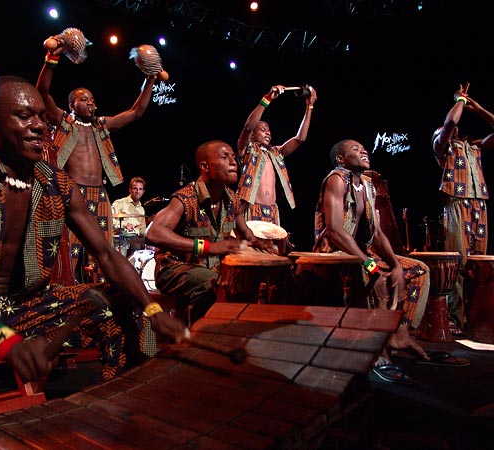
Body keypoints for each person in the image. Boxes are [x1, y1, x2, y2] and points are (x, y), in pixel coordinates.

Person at [0, 76, 184, 448]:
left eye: (41, 119)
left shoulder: (58, 185)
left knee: (124, 303)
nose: (38, 126)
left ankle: (118, 421)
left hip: (27, 308)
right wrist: (4, 341)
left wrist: (154, 308)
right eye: (22, 116)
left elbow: (108, 255)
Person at [36, 38, 157, 283]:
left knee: (103, 250)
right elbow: (42, 93)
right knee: (69, 247)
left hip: (99, 193)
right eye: (84, 99)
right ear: (71, 105)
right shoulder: (63, 121)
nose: (91, 103)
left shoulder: (101, 125)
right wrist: (52, 60)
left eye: (92, 100)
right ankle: (64, 290)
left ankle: (103, 294)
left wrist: (150, 79)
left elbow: (136, 112)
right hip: (72, 191)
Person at [313, 139, 431, 374]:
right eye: (355, 149)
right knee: (366, 275)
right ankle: (372, 347)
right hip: (334, 252)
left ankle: (400, 334)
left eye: (363, 148)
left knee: (419, 270)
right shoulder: (336, 179)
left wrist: (395, 264)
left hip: (360, 253)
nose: (364, 150)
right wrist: (371, 266)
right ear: (341, 159)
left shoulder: (367, 185)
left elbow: (376, 232)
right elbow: (335, 230)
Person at [145, 140, 274, 326]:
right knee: (211, 284)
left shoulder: (233, 200)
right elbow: (153, 233)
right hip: (174, 268)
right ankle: (198, 341)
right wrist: (208, 247)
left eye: (232, 156)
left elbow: (246, 232)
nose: (233, 162)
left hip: (211, 269)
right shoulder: (185, 198)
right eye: (224, 157)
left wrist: (261, 245)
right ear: (205, 166)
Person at [432, 84, 494, 334]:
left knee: (477, 264)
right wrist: (460, 100)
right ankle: (455, 318)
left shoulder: (474, 147)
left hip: (479, 203)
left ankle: (476, 316)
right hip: (457, 202)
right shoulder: (442, 146)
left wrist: (476, 108)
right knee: (458, 263)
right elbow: (449, 123)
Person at [236, 84, 317, 225]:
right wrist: (267, 99)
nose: (268, 132)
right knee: (248, 247)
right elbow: (248, 127)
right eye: (262, 129)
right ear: (253, 136)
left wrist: (309, 107)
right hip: (250, 207)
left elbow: (300, 139)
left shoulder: (275, 152)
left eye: (269, 130)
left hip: (273, 211)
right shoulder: (247, 149)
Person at [111, 176, 147, 257]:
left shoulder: (141, 209)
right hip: (121, 238)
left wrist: (150, 231)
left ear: (143, 191)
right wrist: (124, 225)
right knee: (136, 244)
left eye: (140, 189)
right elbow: (109, 220)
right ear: (130, 190)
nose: (138, 191)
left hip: (136, 238)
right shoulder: (120, 203)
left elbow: (142, 229)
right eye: (135, 188)